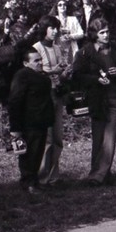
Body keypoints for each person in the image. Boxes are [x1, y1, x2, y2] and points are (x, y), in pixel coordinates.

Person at [72, 18, 116, 186]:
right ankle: (101, 174)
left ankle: (98, 176)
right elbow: (77, 76)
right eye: (102, 32)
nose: (106, 35)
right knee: (98, 137)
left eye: (107, 31)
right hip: (97, 99)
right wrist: (96, 79)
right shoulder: (85, 52)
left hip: (114, 97)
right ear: (94, 34)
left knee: (110, 138)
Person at [8, 47, 54, 196]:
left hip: (41, 122)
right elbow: (15, 101)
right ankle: (28, 183)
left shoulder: (40, 75)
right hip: (29, 123)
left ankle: (34, 182)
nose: (40, 63)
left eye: (40, 59)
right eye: (36, 61)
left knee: (37, 153)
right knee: (29, 155)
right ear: (25, 63)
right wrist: (15, 127)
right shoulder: (22, 76)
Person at [33, 15, 71, 188]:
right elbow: (34, 74)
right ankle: (41, 177)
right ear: (44, 29)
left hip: (57, 95)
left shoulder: (57, 48)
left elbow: (60, 75)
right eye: (52, 28)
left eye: (57, 28)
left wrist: (65, 73)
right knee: (46, 138)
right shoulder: (36, 48)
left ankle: (54, 176)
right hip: (43, 97)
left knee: (58, 137)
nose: (55, 31)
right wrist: (51, 72)